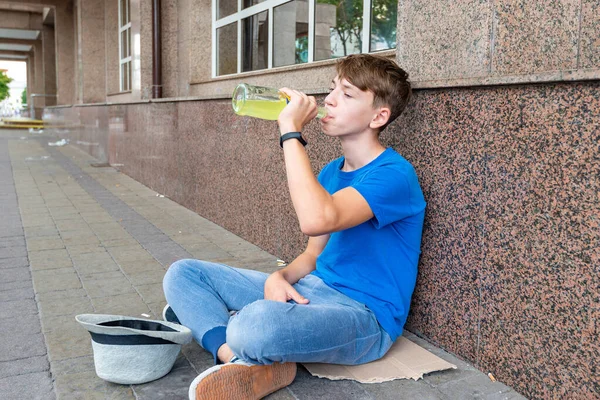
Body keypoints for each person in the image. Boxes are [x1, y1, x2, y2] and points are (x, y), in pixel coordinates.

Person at [163, 53, 426, 400]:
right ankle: (235, 359)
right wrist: (281, 277)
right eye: (332, 89)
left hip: (363, 317)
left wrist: (291, 132)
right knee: (183, 275)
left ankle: (220, 326)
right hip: (311, 291)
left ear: (379, 115)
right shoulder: (332, 172)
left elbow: (317, 218)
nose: (329, 100)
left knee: (255, 324)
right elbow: (313, 253)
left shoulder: (394, 174)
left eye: (346, 94)